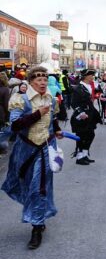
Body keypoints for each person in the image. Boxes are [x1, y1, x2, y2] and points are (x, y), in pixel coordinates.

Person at [1, 66, 63, 249]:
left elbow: (53, 118)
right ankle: (38, 216)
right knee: (29, 186)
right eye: (39, 80)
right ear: (30, 82)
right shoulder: (20, 99)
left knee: (39, 188)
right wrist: (38, 113)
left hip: (46, 148)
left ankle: (36, 227)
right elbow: (15, 126)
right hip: (26, 150)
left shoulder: (51, 98)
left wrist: (57, 130)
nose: (43, 83)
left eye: (45, 79)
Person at [70, 69, 101, 165]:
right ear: (85, 76)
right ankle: (79, 157)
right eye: (91, 75)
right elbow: (73, 103)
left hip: (90, 114)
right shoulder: (78, 88)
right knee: (81, 136)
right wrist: (81, 113)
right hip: (82, 116)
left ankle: (84, 154)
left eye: (92, 75)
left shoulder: (90, 86)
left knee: (90, 135)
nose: (92, 77)